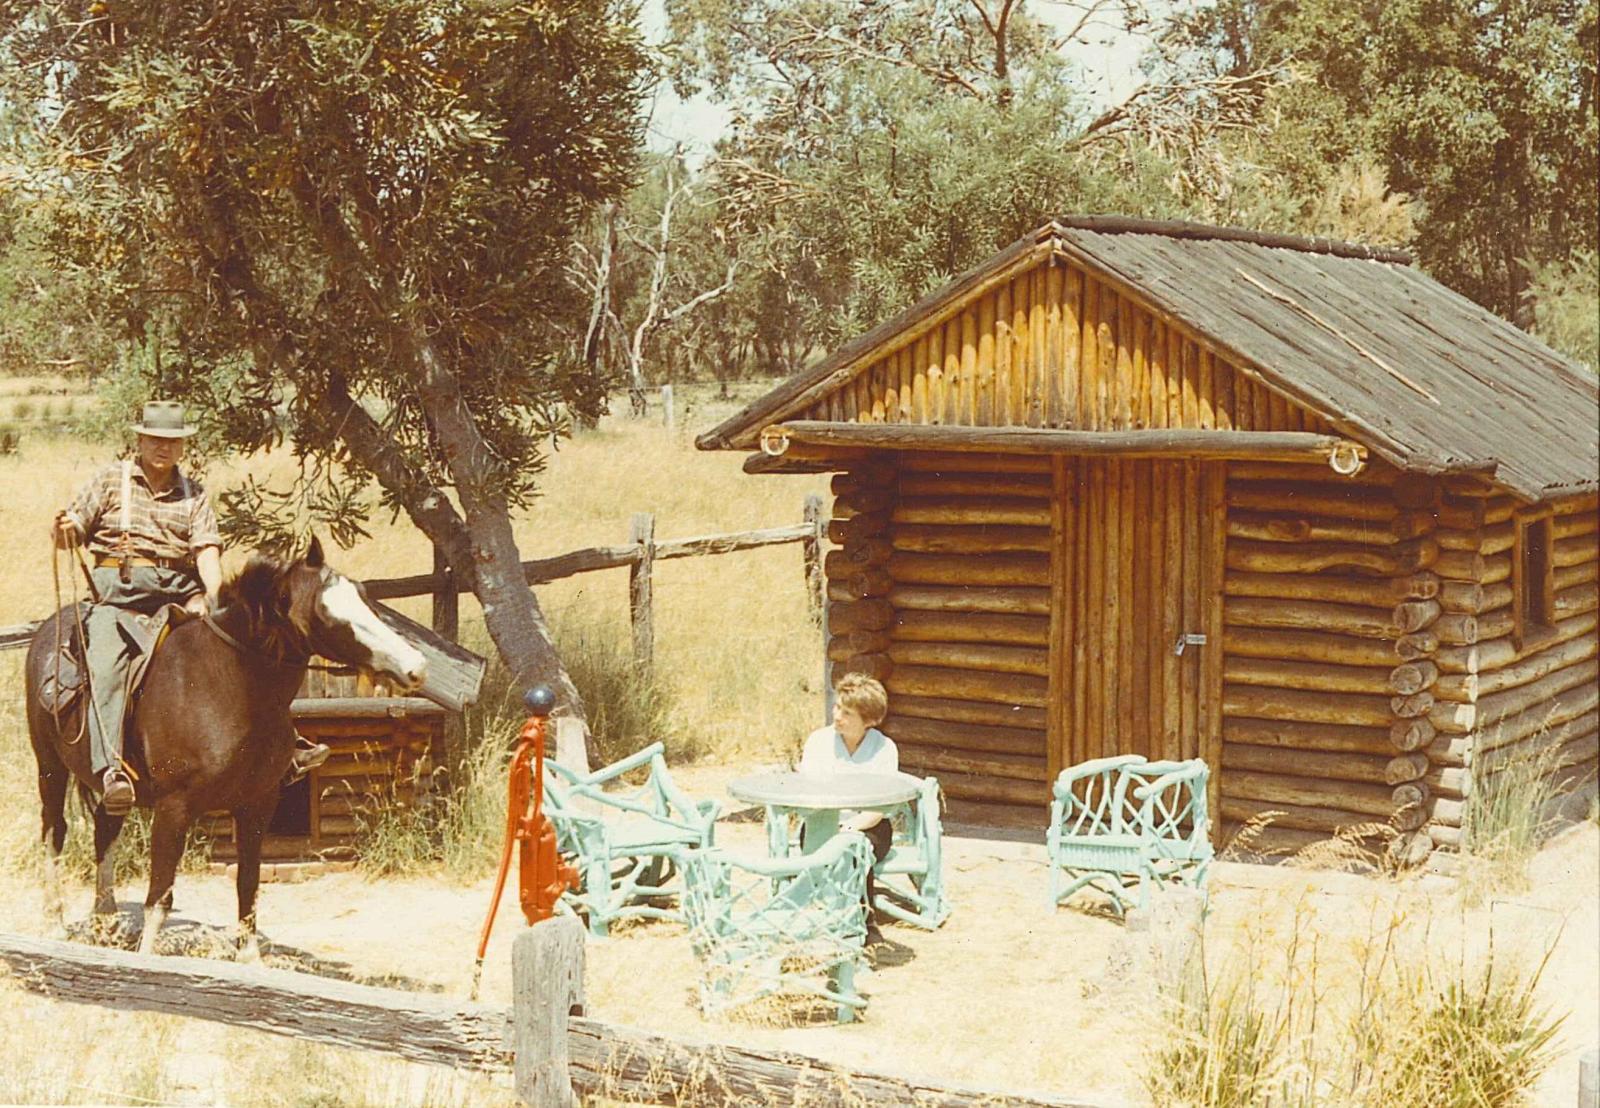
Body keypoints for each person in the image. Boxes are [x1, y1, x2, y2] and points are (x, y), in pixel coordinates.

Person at [53, 401, 328, 815]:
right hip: (117, 598)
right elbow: (71, 531)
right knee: (107, 665)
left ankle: (282, 751)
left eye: (172, 442)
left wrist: (216, 598)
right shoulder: (111, 481)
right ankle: (111, 770)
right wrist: (67, 528)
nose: (163, 448)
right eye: (156, 440)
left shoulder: (194, 494)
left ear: (182, 447)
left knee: (244, 650)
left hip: (180, 592)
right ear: (140, 440)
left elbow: (205, 551)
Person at [798, 672, 898, 939]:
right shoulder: (819, 742)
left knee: (854, 848)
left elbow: (880, 807)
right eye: (837, 706)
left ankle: (862, 922)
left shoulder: (884, 749)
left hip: (869, 823)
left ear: (868, 720)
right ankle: (834, 919)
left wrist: (851, 827)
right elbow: (809, 794)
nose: (837, 716)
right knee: (838, 845)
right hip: (822, 820)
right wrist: (834, 824)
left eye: (847, 713)